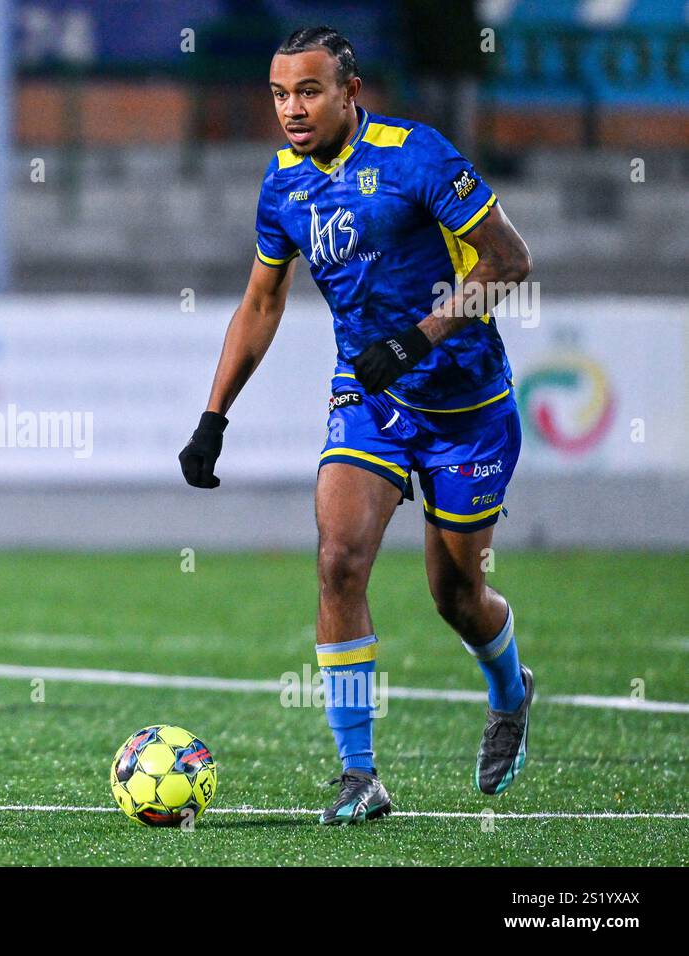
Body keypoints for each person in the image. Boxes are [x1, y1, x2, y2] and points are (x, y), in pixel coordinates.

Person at [178, 26, 535, 824]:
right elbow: (262, 303)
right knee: (339, 559)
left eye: (308, 92)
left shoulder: (418, 156)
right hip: (368, 399)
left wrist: (418, 339)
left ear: (350, 92)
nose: (292, 110)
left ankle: (511, 689)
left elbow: (509, 261)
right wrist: (213, 418)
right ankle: (359, 773)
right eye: (278, 95)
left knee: (456, 596)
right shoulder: (282, 186)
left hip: (466, 407)